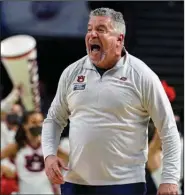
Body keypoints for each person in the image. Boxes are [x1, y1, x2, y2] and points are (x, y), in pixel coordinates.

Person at [42, 7, 181, 195]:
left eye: (100, 30)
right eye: (89, 29)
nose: (92, 34)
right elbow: (53, 120)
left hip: (125, 184)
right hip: (76, 183)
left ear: (119, 39)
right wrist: (49, 154)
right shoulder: (72, 73)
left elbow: (169, 129)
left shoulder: (142, 75)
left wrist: (170, 179)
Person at [1, 111, 55, 194]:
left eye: (41, 122)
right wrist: (4, 168)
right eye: (34, 122)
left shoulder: (49, 146)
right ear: (25, 125)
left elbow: (71, 159)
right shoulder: (16, 147)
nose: (38, 125)